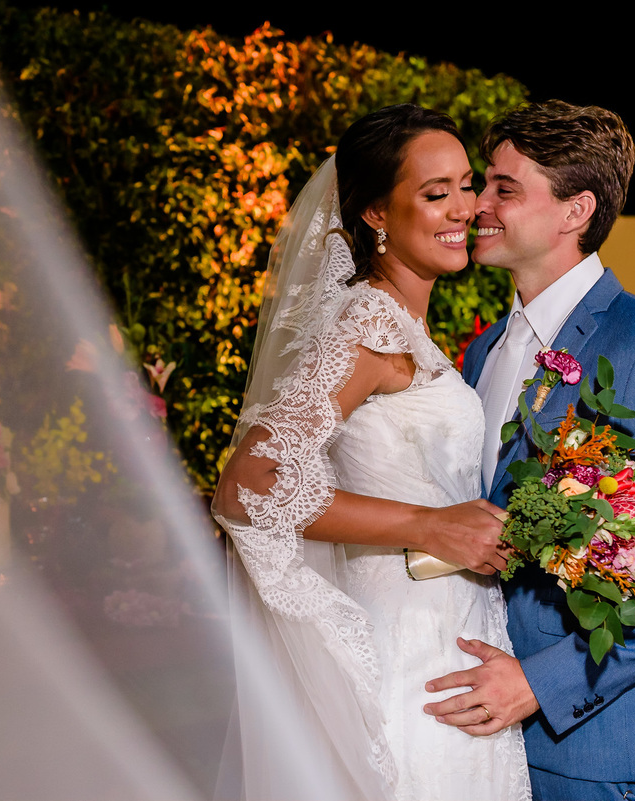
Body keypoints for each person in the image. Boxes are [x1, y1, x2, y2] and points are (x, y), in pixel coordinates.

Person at [422, 101, 635, 801]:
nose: (479, 203)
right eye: (485, 184)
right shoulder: (485, 349)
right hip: (486, 742)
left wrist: (541, 682)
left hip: (599, 755)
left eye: (506, 188)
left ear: (576, 211)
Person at [212, 104, 531, 800]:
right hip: (410, 644)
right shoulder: (369, 321)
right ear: (376, 214)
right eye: (433, 191)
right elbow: (249, 486)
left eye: (466, 183)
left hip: (456, 632)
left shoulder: (411, 326)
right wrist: (428, 524)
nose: (463, 208)